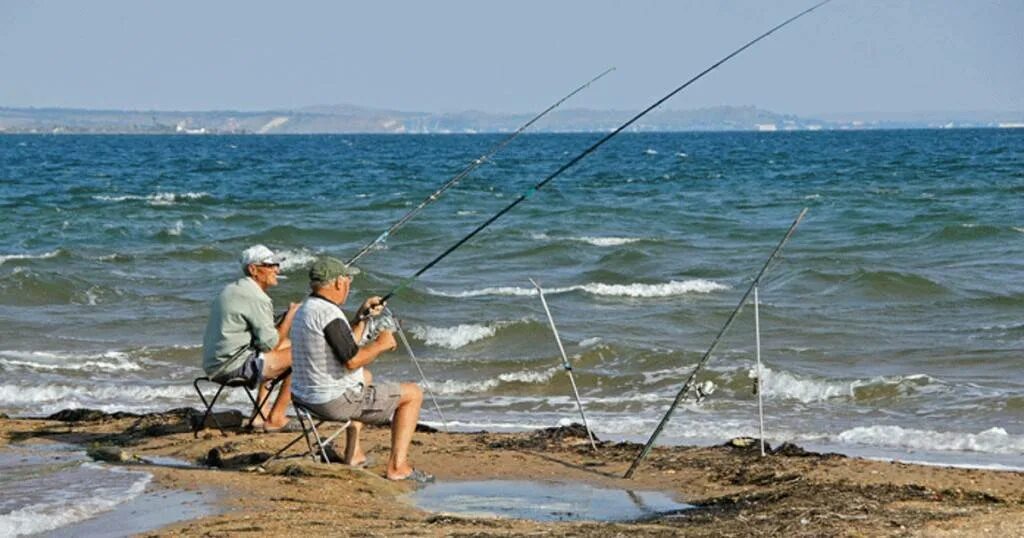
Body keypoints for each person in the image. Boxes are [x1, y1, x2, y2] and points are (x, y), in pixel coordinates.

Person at [290, 256, 431, 482]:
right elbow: (352, 361)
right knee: (413, 394)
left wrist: (361, 317)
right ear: (337, 283)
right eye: (347, 280)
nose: (349, 285)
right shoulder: (329, 314)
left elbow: (345, 346)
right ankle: (398, 467)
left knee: (364, 377)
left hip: (304, 398)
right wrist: (381, 344)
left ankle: (353, 454)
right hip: (331, 402)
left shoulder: (308, 308)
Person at [202, 244, 298, 431]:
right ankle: (276, 418)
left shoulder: (232, 289)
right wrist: (290, 317)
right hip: (230, 368)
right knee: (302, 354)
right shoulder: (256, 297)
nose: (276, 270)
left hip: (215, 365)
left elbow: (265, 342)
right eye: (270, 265)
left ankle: (259, 413)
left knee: (288, 345)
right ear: (253, 269)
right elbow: (270, 345)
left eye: (276, 265)